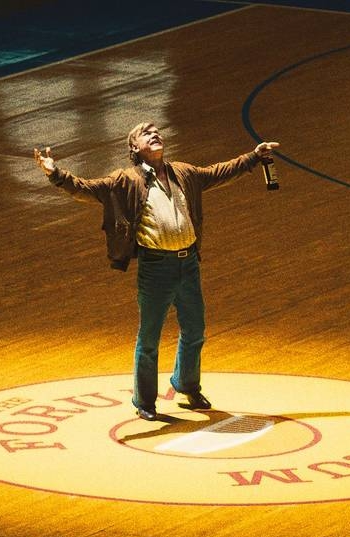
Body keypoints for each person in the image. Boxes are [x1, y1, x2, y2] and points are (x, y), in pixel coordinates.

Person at [34, 122, 278, 420]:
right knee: (149, 338)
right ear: (135, 148)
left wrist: (253, 157)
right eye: (145, 133)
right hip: (156, 267)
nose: (154, 133)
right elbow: (86, 189)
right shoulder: (124, 180)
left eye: (155, 130)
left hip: (188, 265)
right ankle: (145, 402)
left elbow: (219, 172)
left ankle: (187, 385)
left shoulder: (183, 173)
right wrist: (55, 174)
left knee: (195, 330)